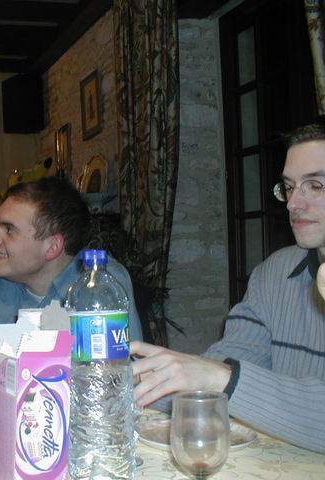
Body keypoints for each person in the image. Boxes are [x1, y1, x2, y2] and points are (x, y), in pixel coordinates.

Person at [131, 122, 325, 453]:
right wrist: (138, 380)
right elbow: (230, 359)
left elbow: (223, 376)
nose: (293, 203)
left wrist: (222, 378)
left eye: (315, 185)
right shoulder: (274, 274)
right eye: (289, 187)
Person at [0, 176, 143, 429]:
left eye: (9, 229)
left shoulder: (101, 286)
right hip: (0, 433)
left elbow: (131, 374)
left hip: (81, 432)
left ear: (52, 247)